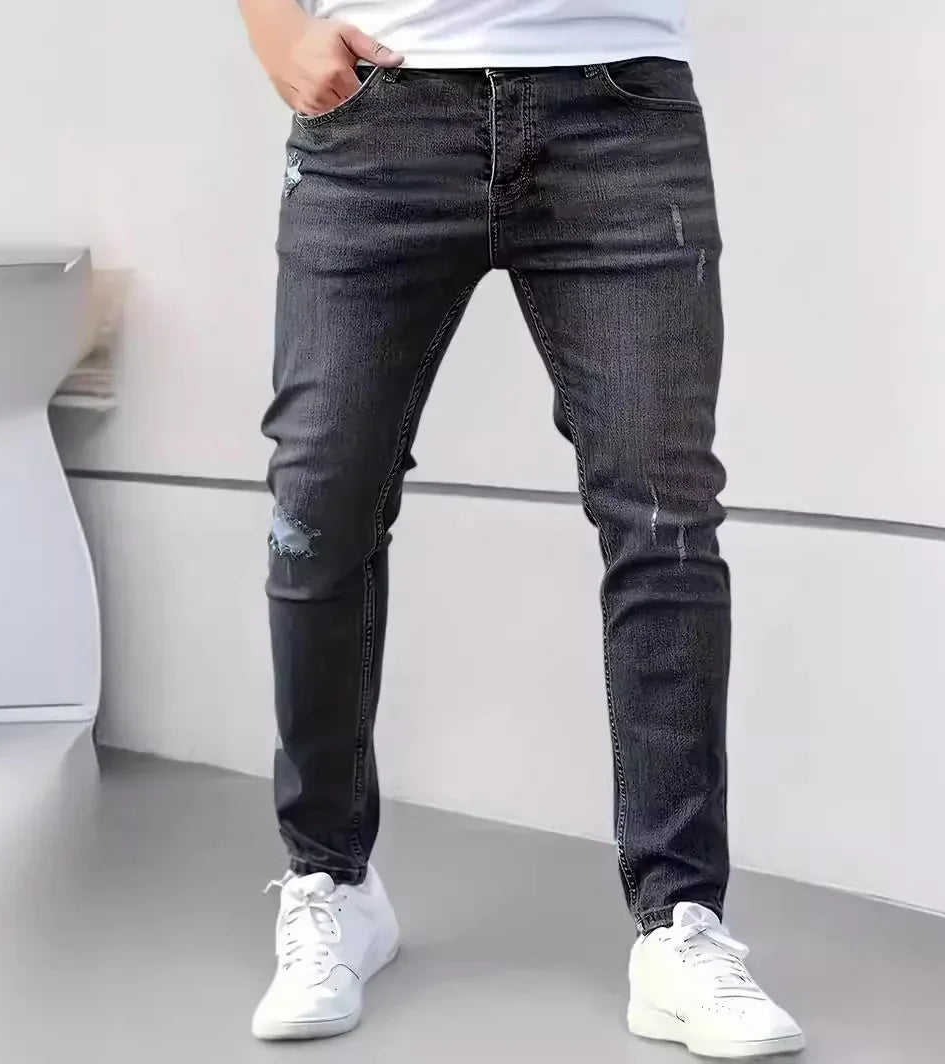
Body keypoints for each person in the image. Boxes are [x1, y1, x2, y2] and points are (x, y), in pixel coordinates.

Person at [239, 0, 804, 1057]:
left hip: (619, 104)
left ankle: (680, 924)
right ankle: (331, 878)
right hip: (378, 107)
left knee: (663, 516)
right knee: (319, 502)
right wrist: (275, 29)